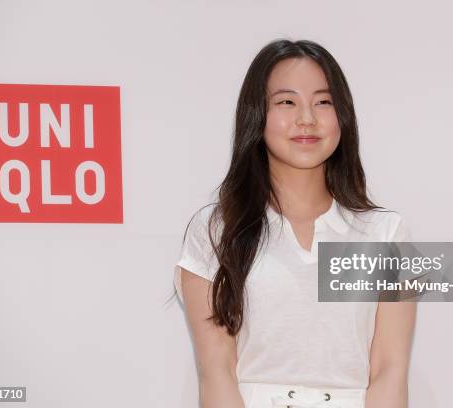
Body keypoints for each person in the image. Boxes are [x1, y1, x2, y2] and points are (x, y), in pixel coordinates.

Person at [173, 39, 416, 408]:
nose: (307, 118)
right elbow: (216, 372)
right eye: (287, 102)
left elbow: (389, 373)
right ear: (258, 114)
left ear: (343, 116)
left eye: (323, 102)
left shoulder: (385, 234)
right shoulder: (216, 230)